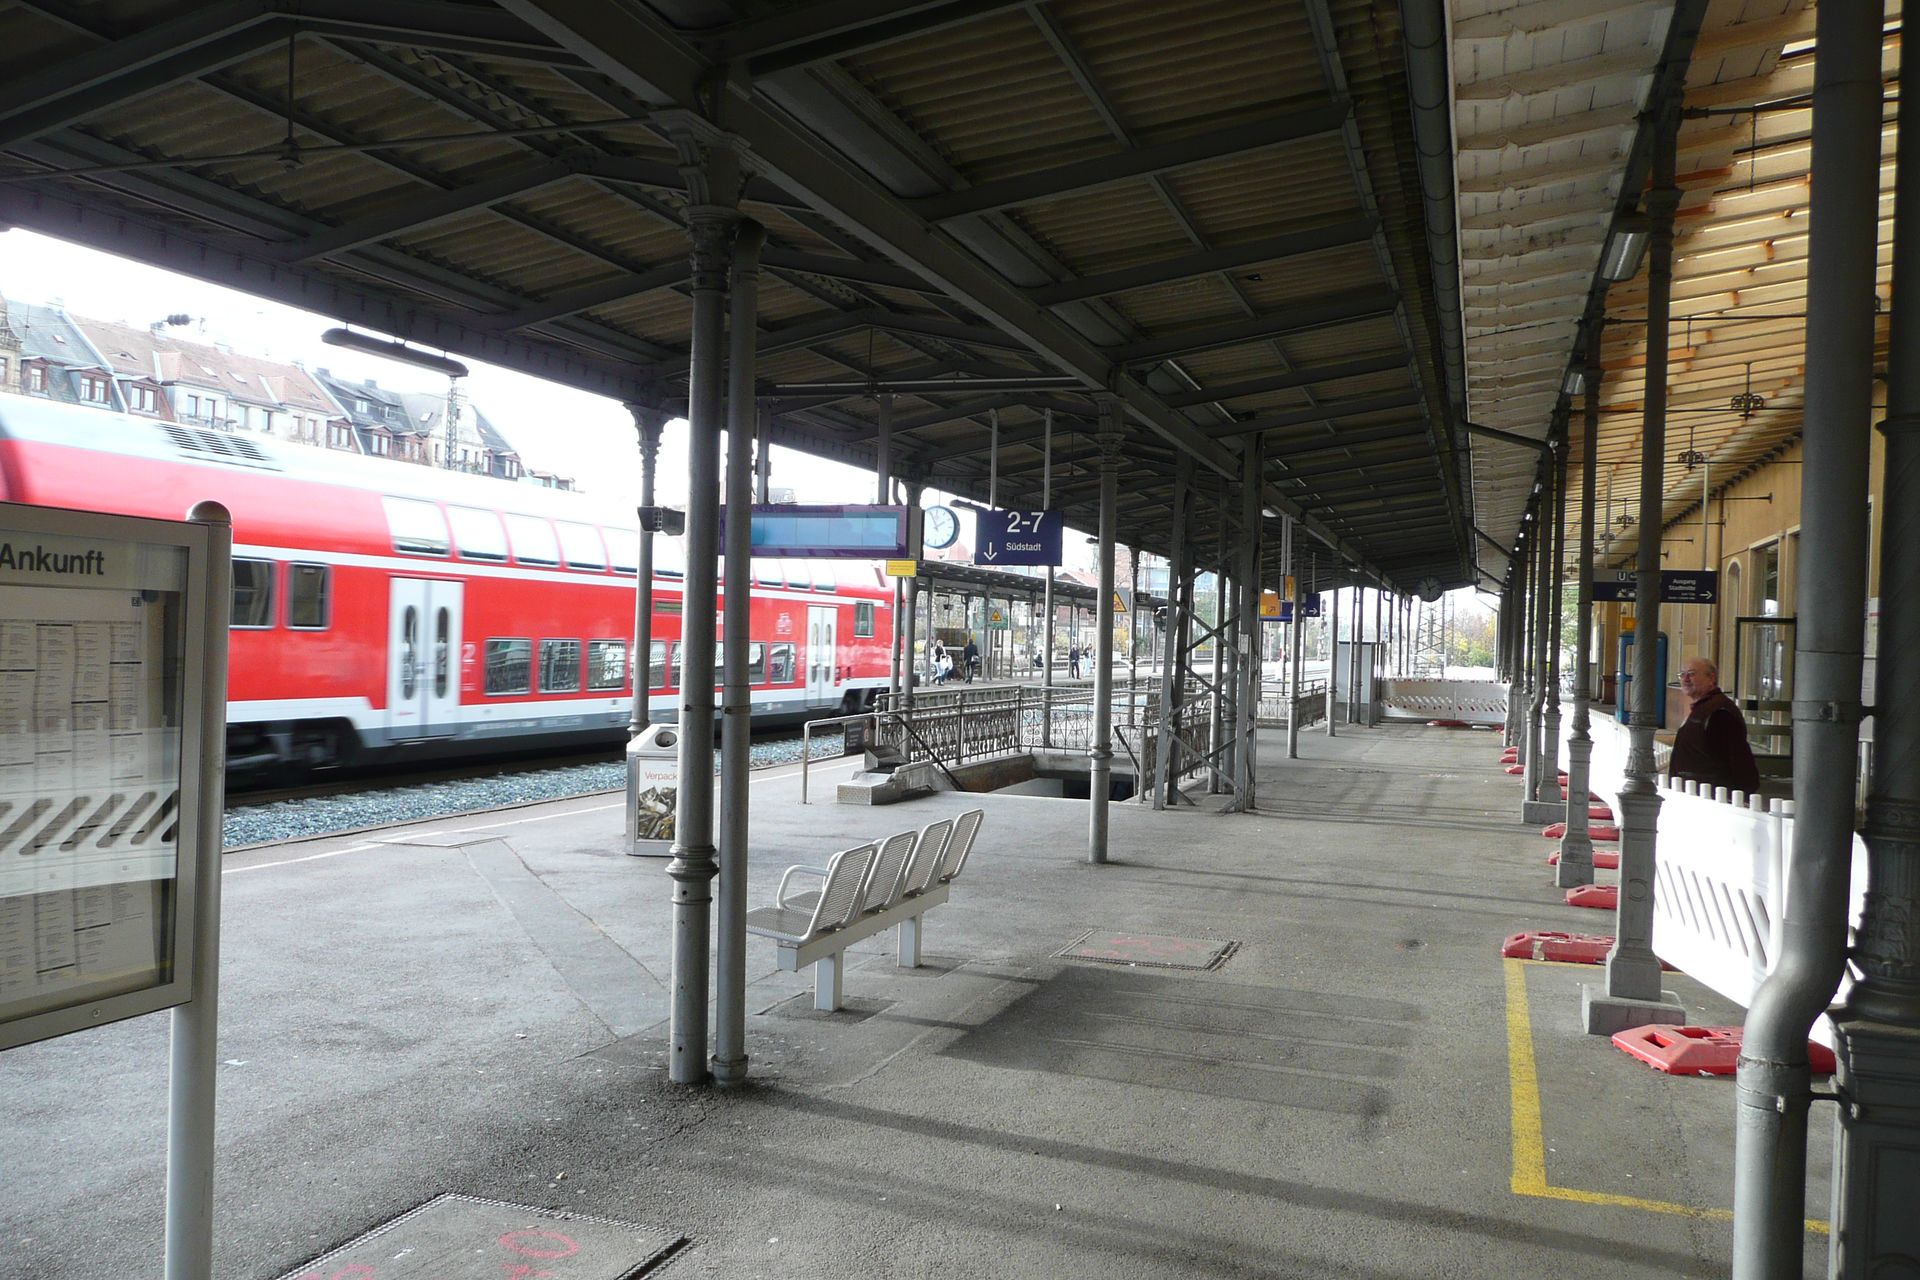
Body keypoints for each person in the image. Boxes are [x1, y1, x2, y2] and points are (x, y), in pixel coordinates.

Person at [1669, 657, 1761, 795]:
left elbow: (1738, 760)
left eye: (1692, 674)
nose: (1685, 679)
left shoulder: (1719, 712)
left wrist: (1740, 797)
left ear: (1711, 678)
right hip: (1696, 792)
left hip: (1710, 795)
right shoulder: (1703, 708)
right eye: (1682, 674)